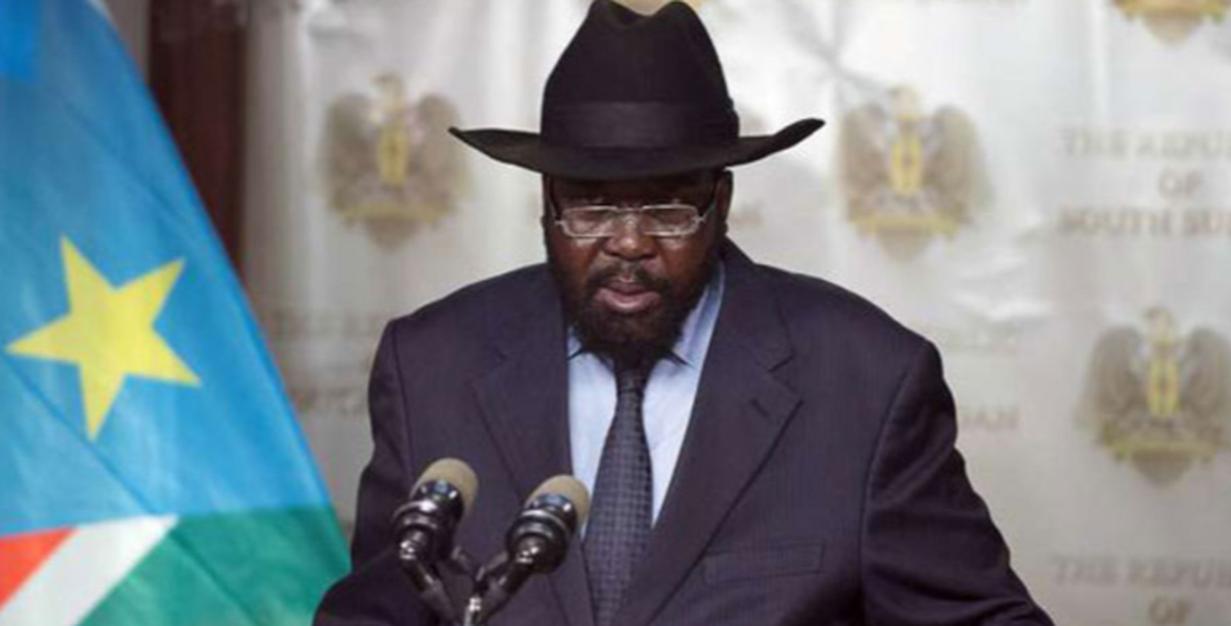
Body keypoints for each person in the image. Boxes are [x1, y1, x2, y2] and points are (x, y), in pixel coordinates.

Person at [315, 1, 1053, 624]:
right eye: (593, 207)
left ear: (720, 204)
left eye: (668, 208)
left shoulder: (866, 381)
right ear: (547, 206)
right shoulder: (434, 363)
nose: (630, 243)